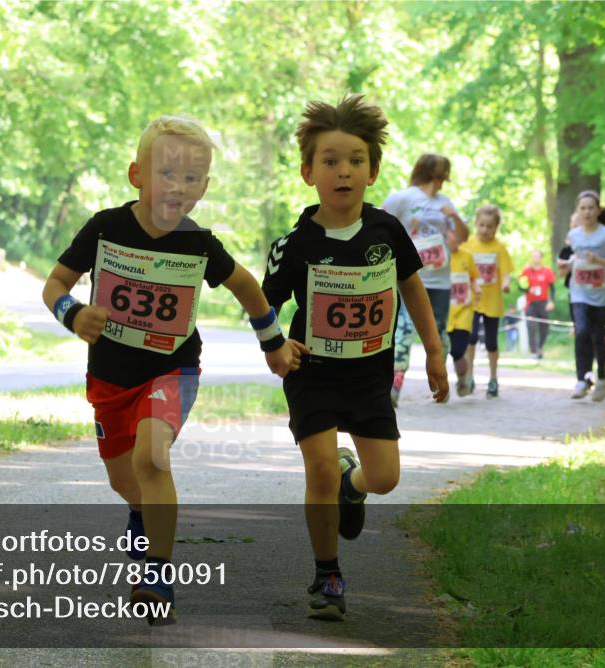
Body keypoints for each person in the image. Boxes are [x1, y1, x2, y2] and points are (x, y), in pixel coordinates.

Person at [42, 115, 306, 624]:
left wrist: (273, 345)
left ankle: (157, 575)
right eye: (167, 174)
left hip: (173, 371)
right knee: (126, 481)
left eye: (191, 179)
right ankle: (142, 520)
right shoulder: (105, 227)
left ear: (204, 188)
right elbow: (55, 283)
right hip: (110, 378)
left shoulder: (198, 243)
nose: (178, 187)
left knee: (152, 460)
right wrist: (72, 314)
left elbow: (248, 288)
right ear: (137, 175)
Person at [262, 93, 447, 622]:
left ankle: (354, 483)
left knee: (384, 477)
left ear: (373, 171)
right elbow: (266, 303)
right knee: (317, 468)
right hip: (312, 374)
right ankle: (327, 574)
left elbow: (413, 289)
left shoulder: (387, 231)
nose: (343, 171)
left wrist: (434, 352)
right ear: (308, 172)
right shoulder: (295, 242)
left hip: (369, 377)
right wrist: (276, 342)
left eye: (355, 161)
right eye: (330, 161)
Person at [381, 153, 468, 406]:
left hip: (440, 280)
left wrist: (453, 217)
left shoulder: (445, 202)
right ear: (432, 174)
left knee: (440, 333)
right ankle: (394, 387)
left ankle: (440, 382)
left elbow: (462, 237)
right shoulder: (403, 198)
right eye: (442, 176)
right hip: (410, 277)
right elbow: (381, 226)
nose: (442, 182)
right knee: (404, 331)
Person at [559, 191, 605, 401]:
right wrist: (567, 265)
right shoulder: (574, 235)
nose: (586, 212)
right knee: (582, 331)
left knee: (597, 336)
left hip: (600, 293)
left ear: (598, 210)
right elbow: (571, 259)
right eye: (582, 208)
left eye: (590, 208)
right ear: (578, 210)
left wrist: (598, 260)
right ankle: (581, 379)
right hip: (579, 292)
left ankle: (601, 376)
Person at [462, 205, 513, 398]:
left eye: (489, 226)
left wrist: (506, 284)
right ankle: (469, 376)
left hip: (492, 302)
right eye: (481, 225)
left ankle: (493, 378)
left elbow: (506, 271)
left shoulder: (499, 248)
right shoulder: (468, 245)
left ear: (496, 227)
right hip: (472, 300)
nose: (485, 230)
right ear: (476, 224)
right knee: (471, 338)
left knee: (491, 342)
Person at [446, 231, 481, 396]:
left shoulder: (467, 257)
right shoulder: (438, 260)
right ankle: (440, 387)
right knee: (439, 351)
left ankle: (462, 380)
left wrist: (477, 289)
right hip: (444, 313)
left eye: (453, 235)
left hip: (463, 312)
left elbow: (473, 279)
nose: (451, 238)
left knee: (458, 350)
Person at [519, 250, 556, 359]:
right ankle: (534, 351)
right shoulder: (526, 271)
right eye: (533, 256)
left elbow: (552, 288)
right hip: (530, 303)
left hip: (543, 303)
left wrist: (552, 301)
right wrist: (528, 289)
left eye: (537, 256)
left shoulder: (547, 272)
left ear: (541, 258)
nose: (535, 258)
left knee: (544, 327)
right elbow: (520, 286)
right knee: (531, 325)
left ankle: (540, 348)